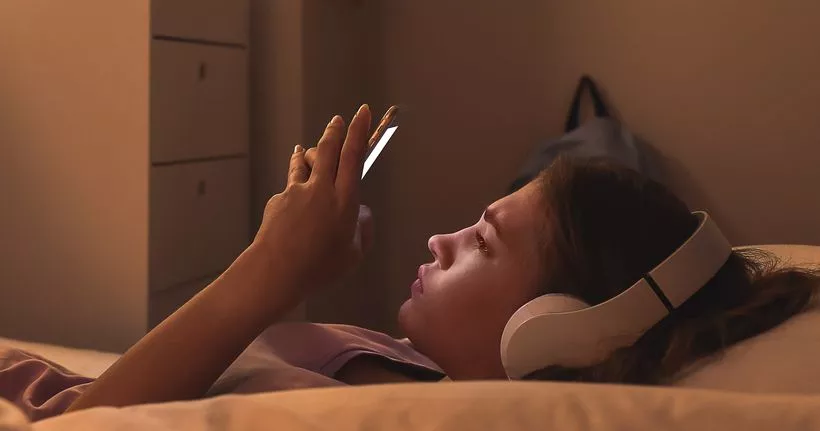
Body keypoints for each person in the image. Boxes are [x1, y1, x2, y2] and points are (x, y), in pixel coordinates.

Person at [53, 104, 817, 411]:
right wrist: (297, 275)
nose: (437, 241)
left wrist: (267, 271)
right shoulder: (422, 368)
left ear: (556, 329)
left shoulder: (401, 411)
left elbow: (83, 427)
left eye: (481, 241)